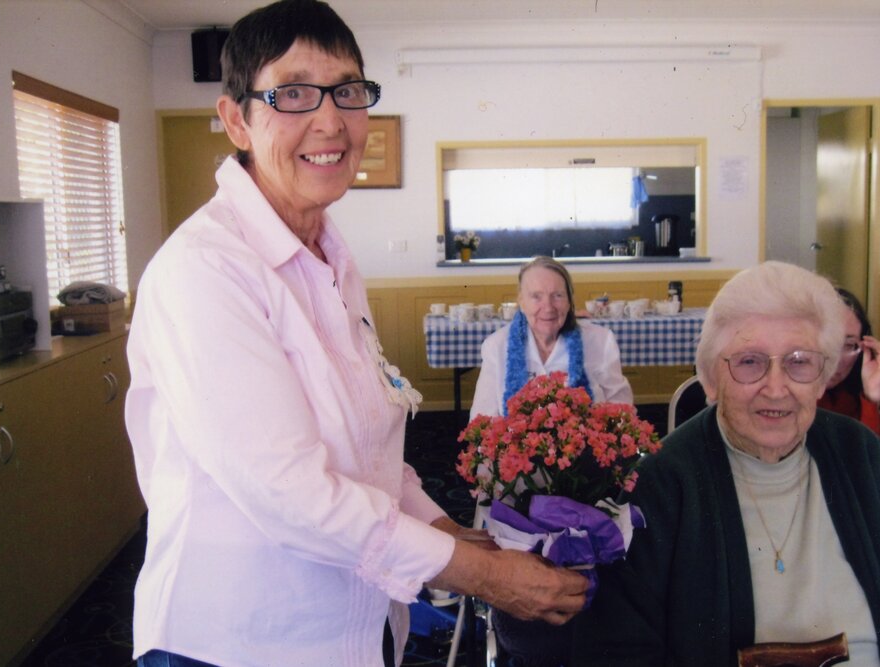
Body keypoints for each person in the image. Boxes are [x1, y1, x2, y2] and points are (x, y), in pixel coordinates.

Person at [124, 3, 587, 666]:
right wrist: (482, 575)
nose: (329, 120)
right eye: (292, 93)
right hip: (239, 641)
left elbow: (365, 450)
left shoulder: (329, 259)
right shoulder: (204, 270)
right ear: (236, 120)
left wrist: (446, 529)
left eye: (347, 91)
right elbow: (290, 493)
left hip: (354, 629)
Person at [573, 261, 880, 666]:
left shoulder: (861, 456)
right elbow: (622, 645)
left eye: (799, 361)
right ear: (711, 379)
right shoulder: (661, 484)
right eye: (750, 361)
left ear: (822, 377)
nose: (776, 387)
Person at [470, 256, 633, 419]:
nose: (548, 307)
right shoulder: (496, 346)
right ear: (522, 302)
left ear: (569, 302)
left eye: (558, 295)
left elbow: (622, 409)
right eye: (536, 296)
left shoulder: (601, 341)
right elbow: (482, 420)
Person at [818, 287, 880, 470]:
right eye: (826, 342)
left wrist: (874, 395)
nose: (836, 359)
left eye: (849, 345)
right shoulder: (778, 391)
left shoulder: (855, 393)